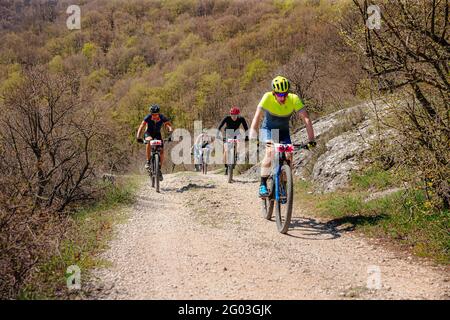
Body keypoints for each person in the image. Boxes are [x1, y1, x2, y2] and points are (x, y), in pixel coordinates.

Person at [249, 76, 316, 197]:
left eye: (285, 94)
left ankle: (284, 184)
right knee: (270, 152)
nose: (283, 97)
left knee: (289, 155)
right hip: (268, 130)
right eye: (279, 95)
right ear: (274, 93)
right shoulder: (267, 97)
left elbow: (306, 118)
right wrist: (253, 138)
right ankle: (263, 184)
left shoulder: (293, 98)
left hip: (283, 131)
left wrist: (311, 140)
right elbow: (257, 117)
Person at [136, 104, 173, 181]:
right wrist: (138, 137)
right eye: (153, 114)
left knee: (162, 151)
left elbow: (168, 125)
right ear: (151, 114)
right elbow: (141, 126)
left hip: (157, 134)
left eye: (156, 114)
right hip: (148, 133)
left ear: (158, 113)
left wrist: (170, 130)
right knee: (149, 141)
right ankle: (148, 161)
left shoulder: (162, 117)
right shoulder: (148, 117)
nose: (155, 116)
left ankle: (158, 169)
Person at [216, 107, 249, 175]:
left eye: (235, 115)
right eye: (232, 115)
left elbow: (246, 128)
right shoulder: (227, 118)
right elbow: (220, 126)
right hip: (228, 132)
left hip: (236, 132)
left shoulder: (241, 119)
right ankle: (226, 167)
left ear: (238, 115)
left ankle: (237, 154)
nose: (233, 117)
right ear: (230, 114)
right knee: (226, 149)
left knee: (240, 141)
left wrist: (246, 136)